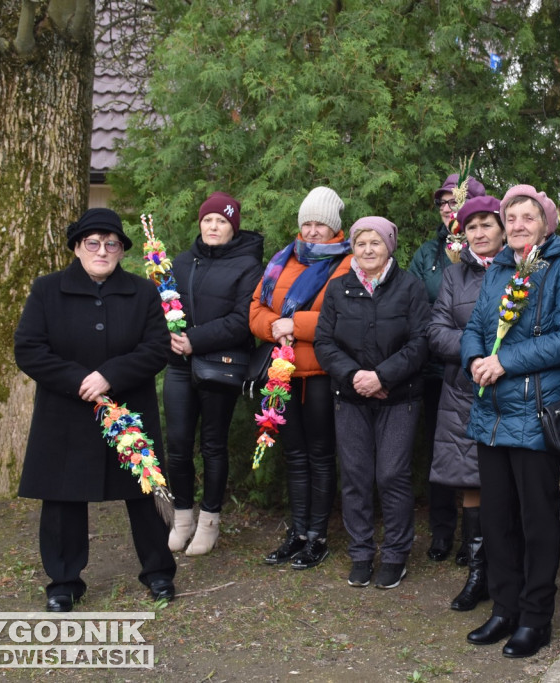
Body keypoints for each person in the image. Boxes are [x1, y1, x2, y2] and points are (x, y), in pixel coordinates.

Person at [14, 208, 176, 611]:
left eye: (112, 244)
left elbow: (157, 347)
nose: (102, 251)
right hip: (66, 413)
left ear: (121, 250)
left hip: (128, 409)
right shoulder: (47, 290)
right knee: (63, 496)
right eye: (93, 243)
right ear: (77, 247)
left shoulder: (141, 292)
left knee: (143, 491)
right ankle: (64, 582)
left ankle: (158, 572)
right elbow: (29, 349)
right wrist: (77, 380)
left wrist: (110, 375)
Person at [461, 184, 560, 658]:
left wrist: (505, 361)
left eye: (528, 217)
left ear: (547, 224)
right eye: (511, 218)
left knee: (537, 520)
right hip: (493, 414)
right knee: (496, 518)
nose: (518, 225)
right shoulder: (498, 270)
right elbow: (477, 325)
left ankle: (536, 617)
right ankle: (505, 606)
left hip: (536, 414)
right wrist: (475, 357)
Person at [314, 216, 430, 589]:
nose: (367, 250)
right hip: (349, 398)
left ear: (389, 247)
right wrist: (355, 378)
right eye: (361, 243)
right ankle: (362, 553)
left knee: (391, 475)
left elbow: (420, 342)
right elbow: (324, 343)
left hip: (399, 397)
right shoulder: (338, 289)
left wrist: (382, 376)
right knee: (356, 476)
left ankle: (396, 554)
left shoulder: (410, 288)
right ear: (352, 248)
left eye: (375, 243)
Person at [251, 187, 352, 570]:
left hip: (323, 374)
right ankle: (298, 532)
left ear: (334, 228)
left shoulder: (347, 262)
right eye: (307, 223)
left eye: (320, 224)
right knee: (294, 455)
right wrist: (275, 327)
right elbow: (256, 307)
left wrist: (296, 324)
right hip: (284, 372)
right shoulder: (282, 259)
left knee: (322, 455)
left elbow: (341, 315)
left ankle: (318, 536)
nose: (311, 231)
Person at [165, 192, 263, 556]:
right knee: (176, 446)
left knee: (212, 445)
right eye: (208, 220)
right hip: (179, 366)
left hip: (219, 367)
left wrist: (194, 340)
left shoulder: (248, 266)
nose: (213, 226)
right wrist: (171, 337)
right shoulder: (181, 261)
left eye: (221, 221)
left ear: (232, 228)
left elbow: (242, 322)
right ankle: (182, 518)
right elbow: (167, 307)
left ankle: (209, 521)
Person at [426, 195, 506, 612]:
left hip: (511, 390)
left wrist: (501, 356)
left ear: (503, 228)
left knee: (508, 483)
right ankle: (478, 574)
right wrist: (476, 353)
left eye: (486, 224)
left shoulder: (524, 271)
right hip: (463, 391)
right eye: (471, 226)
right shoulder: (455, 276)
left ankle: (507, 569)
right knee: (471, 480)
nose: (478, 233)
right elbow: (436, 330)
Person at [410, 172, 486, 564]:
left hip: (482, 375)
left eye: (455, 202)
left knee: (480, 457)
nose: (448, 210)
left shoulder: (491, 256)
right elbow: (416, 305)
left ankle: (474, 540)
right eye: (443, 203)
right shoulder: (427, 254)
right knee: (442, 454)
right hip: (438, 370)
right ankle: (442, 532)